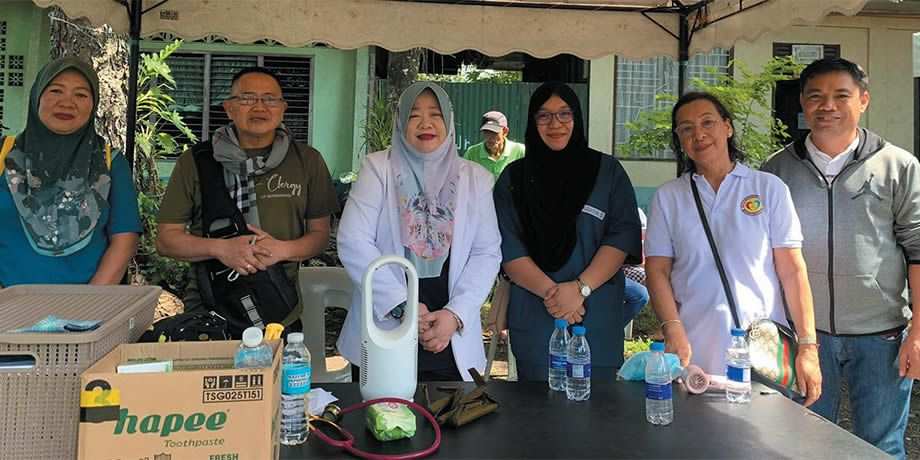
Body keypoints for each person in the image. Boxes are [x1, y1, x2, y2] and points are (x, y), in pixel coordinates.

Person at [762, 58, 920, 458]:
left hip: (881, 334)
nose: (827, 105)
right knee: (804, 443)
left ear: (863, 100)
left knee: (881, 446)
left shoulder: (898, 166)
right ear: (803, 102)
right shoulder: (776, 170)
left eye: (841, 95)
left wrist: (918, 331)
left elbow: (917, 250)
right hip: (806, 335)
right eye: (816, 96)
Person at [645, 92, 822, 406]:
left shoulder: (768, 188)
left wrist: (808, 347)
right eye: (686, 128)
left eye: (708, 122)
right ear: (679, 140)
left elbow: (793, 272)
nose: (698, 134)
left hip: (763, 354)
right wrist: (672, 328)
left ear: (727, 127)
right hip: (694, 353)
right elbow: (656, 270)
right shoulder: (669, 197)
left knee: (765, 433)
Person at [336, 82, 501, 382]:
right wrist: (403, 305)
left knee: (451, 411)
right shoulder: (377, 168)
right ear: (401, 122)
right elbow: (353, 240)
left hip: (450, 332)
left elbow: (486, 252)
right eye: (414, 115)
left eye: (435, 114)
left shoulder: (477, 178)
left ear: (449, 121)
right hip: (385, 321)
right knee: (381, 409)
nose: (426, 124)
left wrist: (456, 314)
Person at [156, 66, 339, 333]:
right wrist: (221, 249)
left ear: (283, 108)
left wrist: (282, 250)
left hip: (279, 309)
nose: (259, 107)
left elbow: (320, 235)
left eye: (270, 99)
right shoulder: (197, 162)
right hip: (210, 308)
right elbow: (166, 240)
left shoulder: (307, 161)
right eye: (247, 98)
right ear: (229, 108)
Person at [493, 81, 642, 382]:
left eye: (564, 113)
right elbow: (507, 246)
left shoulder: (607, 172)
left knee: (599, 405)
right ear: (532, 121)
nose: (555, 124)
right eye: (544, 115)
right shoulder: (514, 179)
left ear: (577, 117)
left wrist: (579, 290)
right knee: (537, 403)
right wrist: (556, 297)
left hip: (596, 317)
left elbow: (622, 236)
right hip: (536, 317)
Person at [0, 57, 140, 287]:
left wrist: (88, 302)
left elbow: (124, 240)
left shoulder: (110, 163)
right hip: (6, 303)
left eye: (81, 95)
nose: (67, 103)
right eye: (56, 91)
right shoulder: (3, 154)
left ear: (93, 105)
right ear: (37, 96)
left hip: (87, 305)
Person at [463, 111, 525, 178]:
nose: (490, 137)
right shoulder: (471, 154)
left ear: (505, 132)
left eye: (494, 132)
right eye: (486, 132)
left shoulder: (520, 152)